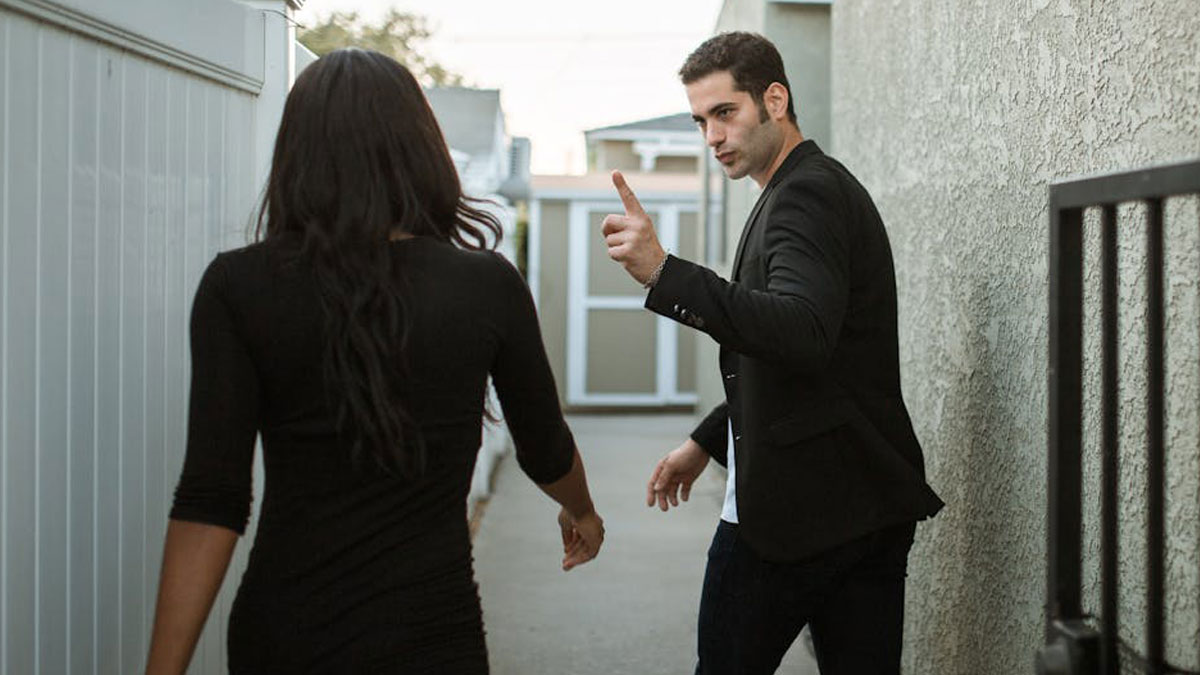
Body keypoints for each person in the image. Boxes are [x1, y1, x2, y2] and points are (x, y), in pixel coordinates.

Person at [144, 48, 603, 675]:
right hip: (430, 639)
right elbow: (545, 448)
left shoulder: (238, 286)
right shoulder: (484, 285)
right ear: (420, 151)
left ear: (297, 154)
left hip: (284, 637)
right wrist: (581, 509)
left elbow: (211, 499)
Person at [601, 32, 943, 674]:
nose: (712, 137)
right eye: (701, 121)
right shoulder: (800, 189)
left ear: (775, 100)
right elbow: (806, 357)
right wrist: (710, 438)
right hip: (856, 501)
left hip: (798, 513)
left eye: (724, 113)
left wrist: (664, 272)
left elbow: (802, 331)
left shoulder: (804, 196)